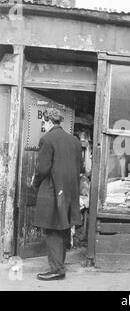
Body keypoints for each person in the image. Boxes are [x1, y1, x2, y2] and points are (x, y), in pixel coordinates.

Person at [30, 107, 83, 281]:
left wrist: (35, 182)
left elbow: (43, 168)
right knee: (62, 228)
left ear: (47, 121)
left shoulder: (47, 139)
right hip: (69, 192)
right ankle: (59, 266)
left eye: (43, 122)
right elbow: (80, 168)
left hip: (52, 191)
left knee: (52, 230)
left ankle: (57, 270)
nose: (43, 125)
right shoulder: (74, 140)